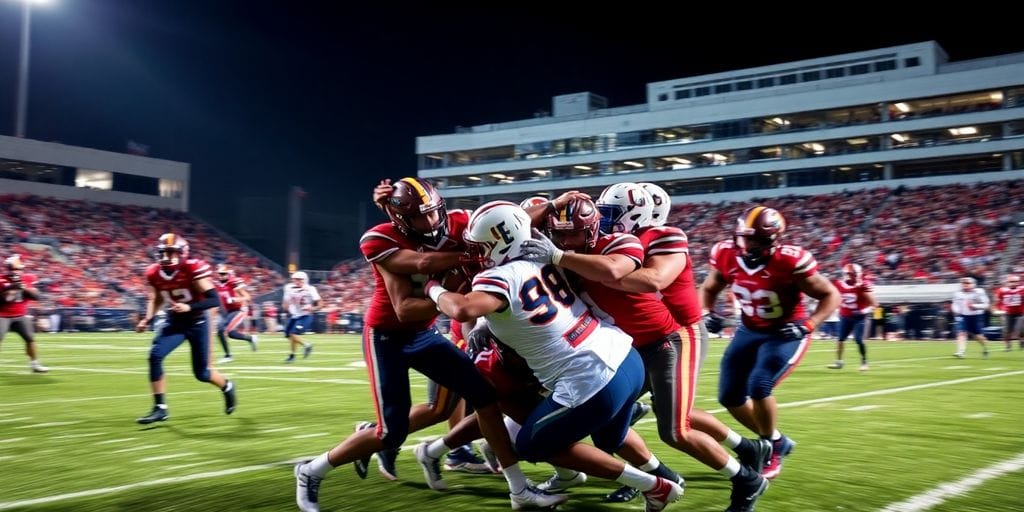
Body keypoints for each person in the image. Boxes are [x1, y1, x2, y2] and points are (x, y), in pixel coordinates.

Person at [293, 178, 556, 512]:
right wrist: (455, 291)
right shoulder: (383, 239)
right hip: (387, 336)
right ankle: (312, 470)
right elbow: (409, 296)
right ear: (403, 219)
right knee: (391, 434)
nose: (431, 222)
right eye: (420, 217)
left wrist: (551, 205)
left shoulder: (462, 223)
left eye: (433, 213)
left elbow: (511, 219)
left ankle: (519, 489)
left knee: (485, 398)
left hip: (426, 335)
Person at [426, 201, 683, 511]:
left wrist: (432, 289)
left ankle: (655, 486)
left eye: (480, 246)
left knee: (533, 445)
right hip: (626, 358)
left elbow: (462, 308)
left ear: (498, 243)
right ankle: (658, 475)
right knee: (608, 438)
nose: (474, 253)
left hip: (591, 380)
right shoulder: (548, 258)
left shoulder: (496, 278)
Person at [521, 193, 769, 512]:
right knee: (608, 430)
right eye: (561, 233)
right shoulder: (568, 256)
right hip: (627, 348)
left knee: (675, 430)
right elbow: (514, 225)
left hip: (668, 339)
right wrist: (556, 206)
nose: (567, 239)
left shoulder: (622, 243)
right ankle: (660, 476)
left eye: (575, 232)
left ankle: (746, 479)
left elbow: (622, 273)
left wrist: (559, 256)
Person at [699, 206, 840, 481]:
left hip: (784, 332)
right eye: (747, 238)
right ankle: (777, 440)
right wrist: (707, 313)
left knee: (759, 385)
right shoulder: (726, 254)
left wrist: (808, 325)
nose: (751, 244)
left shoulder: (790, 261)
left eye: (760, 240)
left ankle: (769, 448)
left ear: (776, 239)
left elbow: (830, 295)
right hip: (749, 329)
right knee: (729, 397)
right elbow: (708, 288)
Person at [135, 234, 236, 424]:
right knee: (155, 356)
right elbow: (156, 298)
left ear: (182, 254)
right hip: (175, 322)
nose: (166, 257)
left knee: (202, 374)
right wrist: (147, 319)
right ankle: (160, 408)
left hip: (198, 322)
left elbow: (214, 300)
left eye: (171, 253)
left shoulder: (192, 268)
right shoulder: (153, 272)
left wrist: (190, 307)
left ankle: (227, 386)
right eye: (163, 252)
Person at [0, 255, 48, 373]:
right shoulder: (1, 279)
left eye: (17, 269)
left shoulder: (28, 278)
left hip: (20, 315)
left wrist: (23, 288)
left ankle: (35, 364)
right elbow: (3, 300)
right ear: (7, 269)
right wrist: (11, 287)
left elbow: (37, 296)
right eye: (12, 269)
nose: (15, 271)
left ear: (22, 269)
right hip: (2, 315)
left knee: (30, 339)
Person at [829, 263, 878, 371]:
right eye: (849, 274)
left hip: (859, 318)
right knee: (840, 339)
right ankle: (839, 362)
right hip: (845, 316)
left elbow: (875, 304)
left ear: (858, 274)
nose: (851, 276)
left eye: (853, 274)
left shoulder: (863, 285)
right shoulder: (838, 284)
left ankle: (864, 362)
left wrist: (862, 311)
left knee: (858, 340)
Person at [214, 264, 258, 363]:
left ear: (228, 274)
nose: (221, 276)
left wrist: (235, 299)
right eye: (219, 274)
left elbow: (247, 297)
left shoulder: (233, 283)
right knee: (230, 333)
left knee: (221, 328)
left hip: (240, 310)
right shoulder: (217, 285)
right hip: (229, 311)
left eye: (223, 274)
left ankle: (228, 355)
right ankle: (250, 338)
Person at [282, 271, 321, 363]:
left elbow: (320, 304)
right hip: (294, 315)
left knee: (293, 334)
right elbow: (286, 301)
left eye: (299, 280)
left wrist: (313, 308)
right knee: (289, 335)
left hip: (305, 315)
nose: (297, 281)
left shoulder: (310, 289)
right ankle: (292, 355)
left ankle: (307, 345)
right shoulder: (288, 288)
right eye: (295, 279)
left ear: (305, 280)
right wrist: (286, 307)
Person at [952, 276, 990, 358]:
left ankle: (985, 347)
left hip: (976, 316)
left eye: (968, 283)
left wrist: (975, 306)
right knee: (961, 332)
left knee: (977, 336)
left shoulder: (979, 292)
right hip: (963, 316)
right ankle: (960, 351)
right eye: (964, 283)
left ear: (973, 284)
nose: (965, 285)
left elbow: (986, 304)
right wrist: (956, 311)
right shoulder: (958, 293)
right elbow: (955, 304)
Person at [994, 274, 1023, 351]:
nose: (1013, 283)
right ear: (1007, 282)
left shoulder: (1022, 289)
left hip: (1020, 312)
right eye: (1011, 282)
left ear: (1018, 282)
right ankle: (1007, 346)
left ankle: (1021, 340)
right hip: (1008, 313)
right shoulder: (1002, 290)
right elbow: (997, 301)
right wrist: (997, 309)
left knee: (1020, 328)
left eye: (1015, 282)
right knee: (1006, 330)